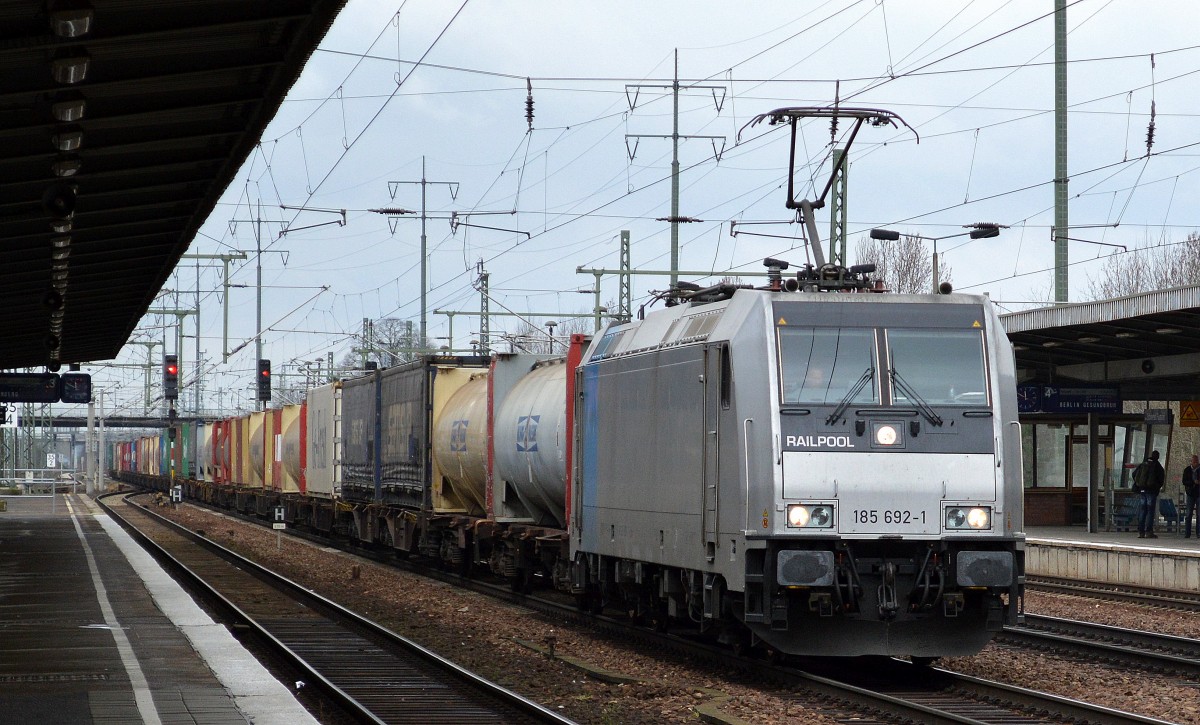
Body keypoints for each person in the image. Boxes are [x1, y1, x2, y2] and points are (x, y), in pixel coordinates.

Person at [1134, 450, 1166, 539]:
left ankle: (1140, 532)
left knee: (1142, 511)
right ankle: (1149, 532)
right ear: (1158, 457)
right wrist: (1156, 487)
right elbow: (1161, 479)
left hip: (1142, 490)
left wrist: (1139, 484)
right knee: (1150, 512)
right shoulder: (1158, 466)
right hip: (1151, 491)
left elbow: (1134, 474)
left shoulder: (1143, 464)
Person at [1182, 455, 1200, 538]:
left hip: (1199, 493)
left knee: (1199, 514)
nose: (1196, 463)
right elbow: (1184, 481)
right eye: (1194, 461)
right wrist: (1193, 482)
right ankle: (1187, 533)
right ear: (1191, 462)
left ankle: (1198, 532)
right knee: (1188, 514)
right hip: (1190, 493)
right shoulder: (1187, 470)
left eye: (1197, 461)